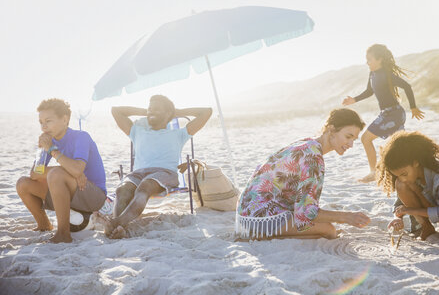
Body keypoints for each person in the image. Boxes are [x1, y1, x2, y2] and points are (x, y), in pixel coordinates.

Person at [235, 108, 371, 240]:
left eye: (354, 139)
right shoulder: (313, 157)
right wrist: (347, 217)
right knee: (329, 230)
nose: (351, 144)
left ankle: (272, 233)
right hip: (260, 218)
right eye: (348, 137)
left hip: (246, 212)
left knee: (324, 228)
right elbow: (307, 212)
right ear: (331, 129)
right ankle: (263, 236)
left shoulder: (307, 143)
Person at [94, 95, 212, 239]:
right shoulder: (137, 131)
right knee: (122, 189)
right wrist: (148, 111)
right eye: (150, 109)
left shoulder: (179, 134)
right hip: (137, 174)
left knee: (145, 186)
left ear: (168, 113)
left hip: (164, 173)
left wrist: (175, 112)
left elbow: (207, 112)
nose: (151, 112)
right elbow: (116, 111)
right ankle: (119, 228)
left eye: (156, 109)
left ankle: (116, 223)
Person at [16, 98, 107, 243]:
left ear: (65, 119)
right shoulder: (49, 141)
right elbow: (34, 174)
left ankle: (63, 234)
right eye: (41, 122)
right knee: (23, 183)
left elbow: (77, 170)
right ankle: (44, 225)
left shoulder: (81, 137)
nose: (43, 127)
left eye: (48, 121)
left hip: (93, 197)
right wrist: (68, 170)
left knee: (56, 174)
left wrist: (53, 152)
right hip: (68, 192)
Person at [342, 44, 425, 182]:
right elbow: (369, 91)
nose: (367, 62)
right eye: (366, 59)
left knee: (366, 139)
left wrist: (413, 107)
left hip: (394, 114)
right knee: (401, 146)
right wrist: (354, 99)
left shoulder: (387, 74)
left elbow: (407, 86)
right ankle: (417, 167)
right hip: (387, 114)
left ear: (379, 59)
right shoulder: (372, 74)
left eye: (369, 59)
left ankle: (374, 172)